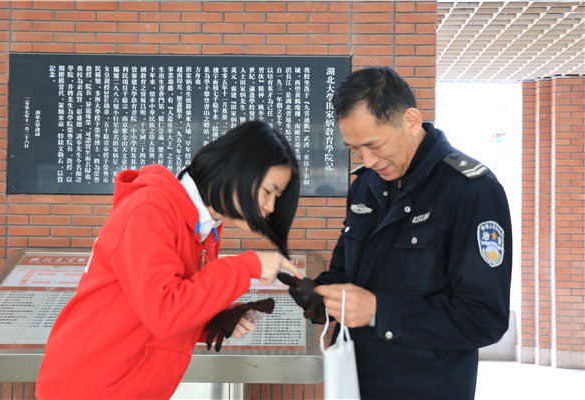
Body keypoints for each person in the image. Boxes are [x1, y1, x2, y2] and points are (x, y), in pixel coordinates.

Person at [280, 66, 512, 399]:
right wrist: (320, 293)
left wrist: (379, 311)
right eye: (355, 149)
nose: (368, 160)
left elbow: (484, 319)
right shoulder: (366, 185)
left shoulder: (471, 191)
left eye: (374, 145)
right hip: (356, 384)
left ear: (412, 121)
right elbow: (347, 273)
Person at [36, 120, 303, 399]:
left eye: (277, 197)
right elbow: (164, 313)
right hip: (88, 388)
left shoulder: (203, 227)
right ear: (237, 170)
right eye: (268, 191)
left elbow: (157, 306)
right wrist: (245, 265)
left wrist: (213, 318)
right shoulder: (150, 209)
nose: (270, 207)